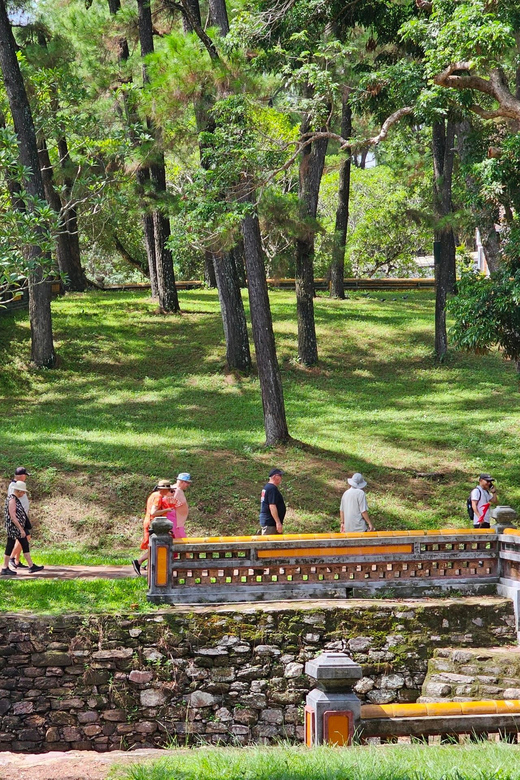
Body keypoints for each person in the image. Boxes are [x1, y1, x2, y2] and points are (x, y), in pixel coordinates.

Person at [132, 480, 174, 576]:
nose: (168, 491)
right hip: (154, 524)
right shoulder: (158, 497)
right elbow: (153, 512)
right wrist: (167, 509)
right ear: (163, 489)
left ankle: (147, 565)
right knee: (156, 546)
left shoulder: (153, 495)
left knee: (154, 546)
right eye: (168, 489)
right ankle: (140, 561)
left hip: (150, 522)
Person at [2, 481, 43, 575]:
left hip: (16, 528)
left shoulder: (14, 499)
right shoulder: (12, 499)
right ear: (19, 491)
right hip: (15, 528)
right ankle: (30, 566)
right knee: (20, 545)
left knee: (16, 545)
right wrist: (20, 529)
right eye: (23, 492)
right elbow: (12, 516)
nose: (24, 494)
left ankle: (29, 566)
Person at [7, 467, 31, 570]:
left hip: (22, 516)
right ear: (21, 476)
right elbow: (12, 501)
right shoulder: (14, 486)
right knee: (26, 537)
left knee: (20, 538)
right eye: (25, 475)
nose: (25, 477)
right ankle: (12, 558)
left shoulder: (16, 485)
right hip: (18, 517)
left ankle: (17, 560)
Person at [259, 468, 286, 535]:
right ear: (274, 476)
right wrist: (278, 522)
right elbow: (272, 506)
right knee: (269, 544)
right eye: (279, 475)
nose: (281, 477)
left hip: (269, 522)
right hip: (270, 523)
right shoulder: (272, 489)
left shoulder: (267, 487)